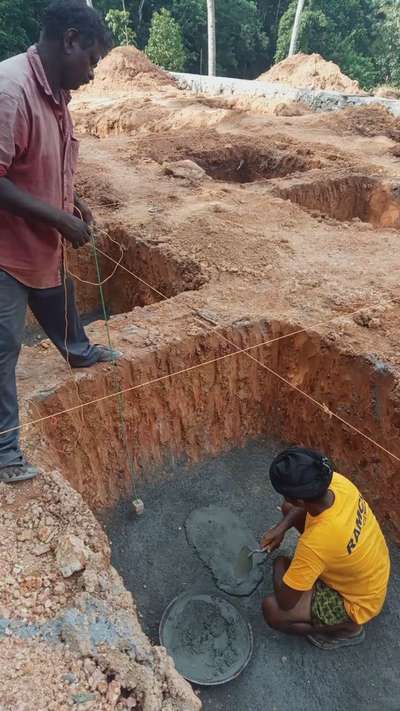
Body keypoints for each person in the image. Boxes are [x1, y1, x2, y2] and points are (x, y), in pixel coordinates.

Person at [0, 0, 120, 483]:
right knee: (3, 347)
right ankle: (5, 450)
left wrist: (73, 204)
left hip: (39, 245)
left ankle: (78, 351)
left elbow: (43, 165)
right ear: (70, 39)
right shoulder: (11, 91)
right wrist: (59, 219)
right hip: (5, 255)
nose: (92, 75)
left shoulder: (56, 95)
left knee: (60, 300)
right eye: (91, 61)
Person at [261, 447, 390, 650]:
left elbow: (286, 602)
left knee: (273, 611)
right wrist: (281, 528)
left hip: (358, 602)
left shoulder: (315, 544)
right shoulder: (339, 483)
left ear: (300, 499)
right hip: (373, 572)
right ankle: (318, 576)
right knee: (288, 512)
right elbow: (298, 509)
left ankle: (348, 630)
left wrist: (279, 564)